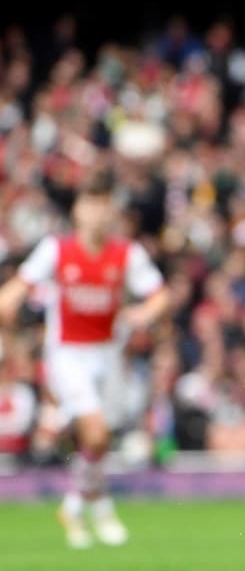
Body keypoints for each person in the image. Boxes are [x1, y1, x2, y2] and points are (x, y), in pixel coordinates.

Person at [0, 171, 170, 548]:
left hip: (108, 355)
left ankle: (82, 505)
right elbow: (19, 286)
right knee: (95, 432)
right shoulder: (56, 250)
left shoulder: (126, 254)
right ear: (77, 210)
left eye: (103, 205)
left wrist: (144, 314)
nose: (96, 213)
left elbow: (160, 295)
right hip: (67, 354)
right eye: (90, 204)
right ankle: (92, 506)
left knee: (98, 442)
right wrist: (9, 299)